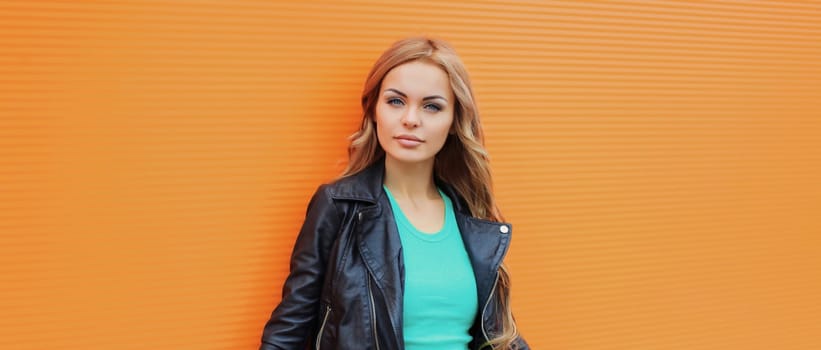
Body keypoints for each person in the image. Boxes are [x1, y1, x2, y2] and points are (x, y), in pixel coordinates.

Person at [260, 36, 528, 350]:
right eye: (395, 101)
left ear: (454, 121)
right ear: (374, 110)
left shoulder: (472, 215)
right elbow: (290, 328)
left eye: (432, 106)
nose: (410, 119)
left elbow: (498, 335)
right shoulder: (339, 206)